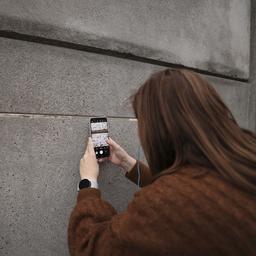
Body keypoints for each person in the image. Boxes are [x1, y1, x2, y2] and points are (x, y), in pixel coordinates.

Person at [68, 69, 256, 256]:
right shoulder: (244, 160)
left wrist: (88, 183)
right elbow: (196, 191)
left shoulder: (164, 205)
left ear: (157, 132)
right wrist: (129, 164)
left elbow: (90, 248)